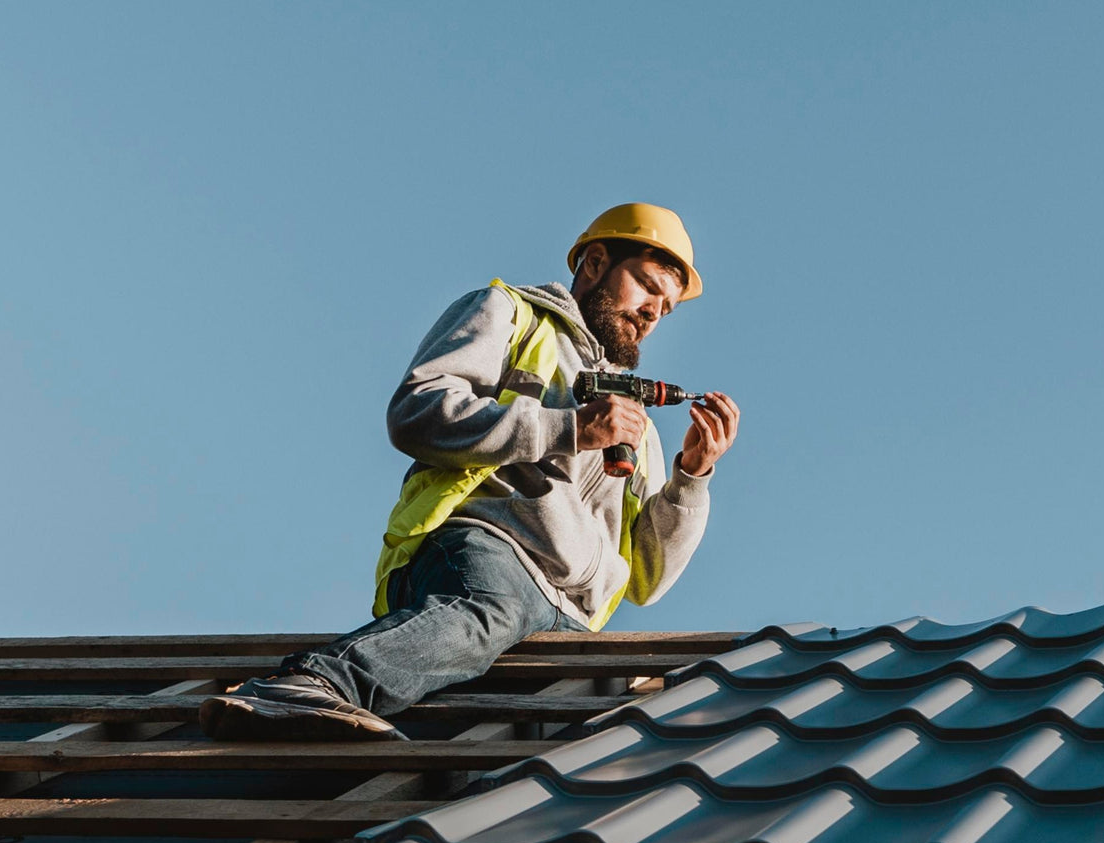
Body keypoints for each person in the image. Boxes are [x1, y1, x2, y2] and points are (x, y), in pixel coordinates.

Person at [199, 203, 740, 741]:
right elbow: (417, 413)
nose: (652, 312)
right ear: (595, 262)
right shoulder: (510, 316)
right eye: (646, 287)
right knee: (486, 611)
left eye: (666, 308)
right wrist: (568, 429)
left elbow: (646, 580)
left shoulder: (636, 427)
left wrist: (691, 478)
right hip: (489, 554)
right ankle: (310, 684)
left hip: (571, 620)